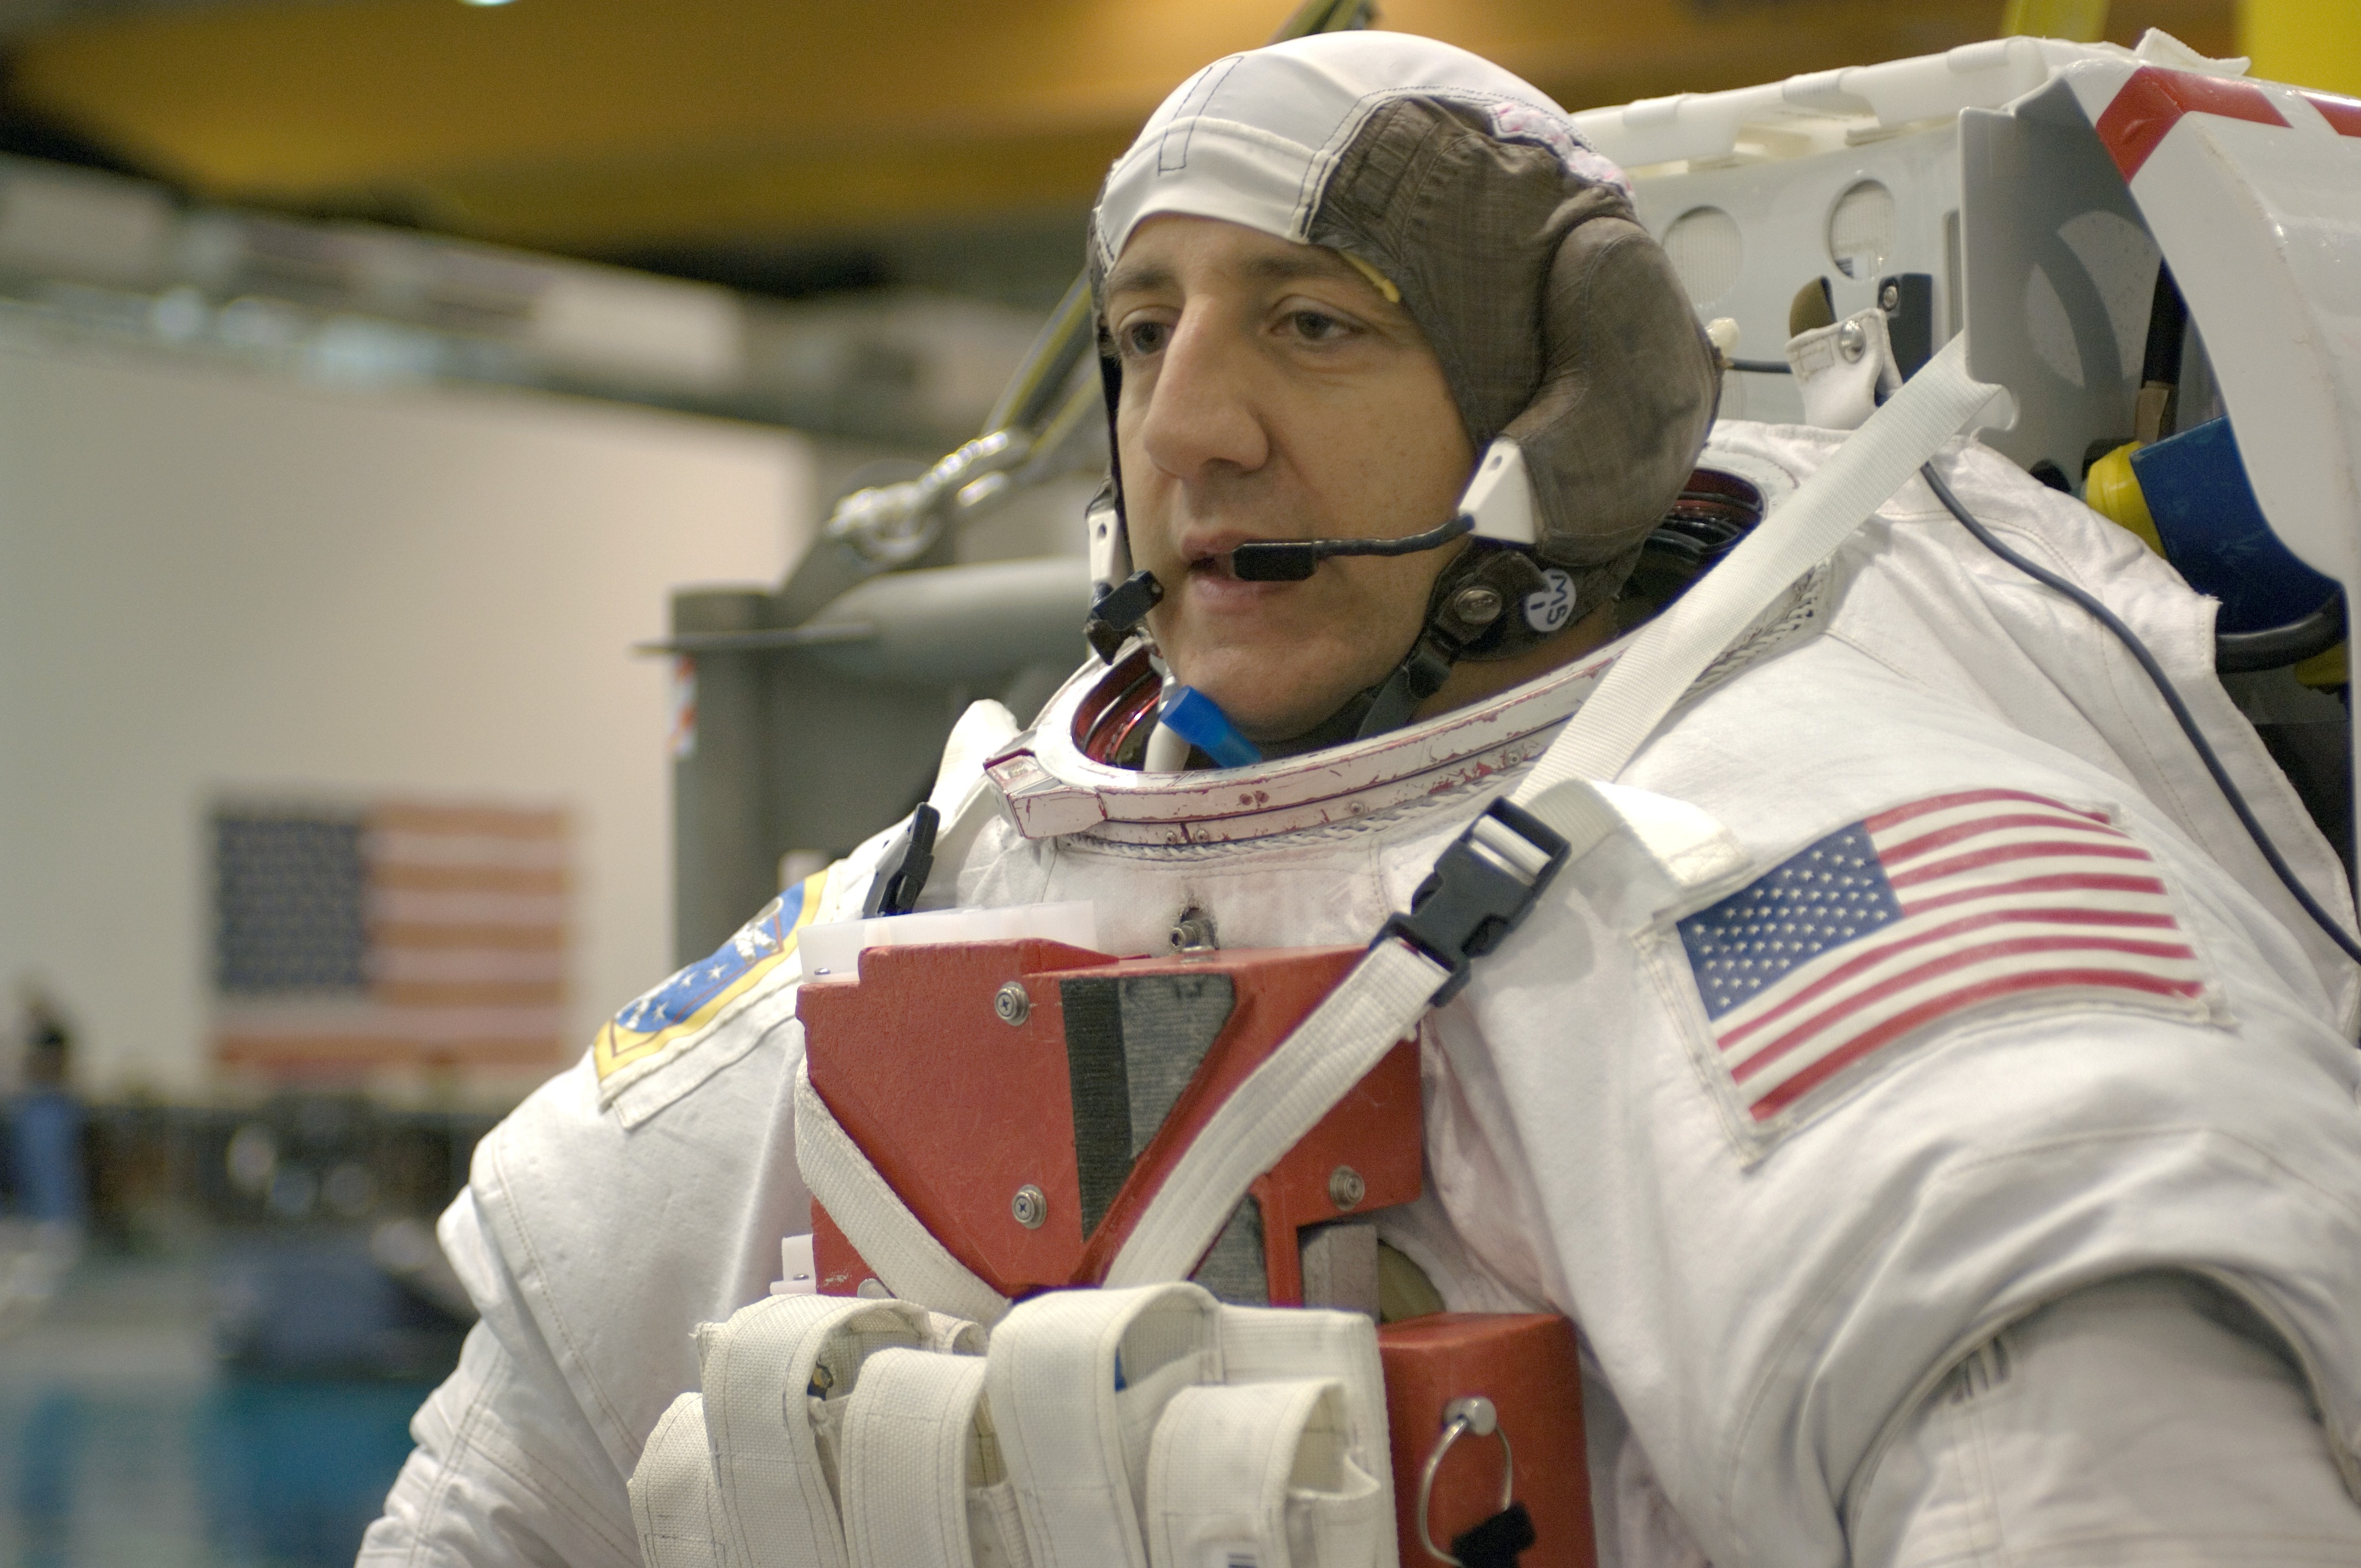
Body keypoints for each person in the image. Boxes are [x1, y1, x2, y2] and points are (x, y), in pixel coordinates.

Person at [362, 30, 2361, 1568]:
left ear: (1579, 415)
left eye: (1314, 327)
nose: (1190, 429)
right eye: (1148, 338)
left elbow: (2115, 1488)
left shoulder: (1830, 868)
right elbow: (511, 1475)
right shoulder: (942, 884)